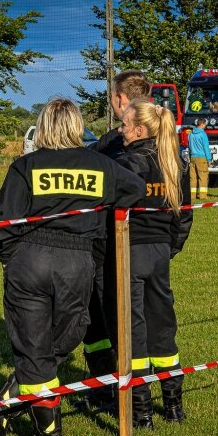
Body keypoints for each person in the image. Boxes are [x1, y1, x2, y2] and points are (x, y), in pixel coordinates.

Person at [0, 98, 145, 436]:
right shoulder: (101, 165)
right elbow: (136, 189)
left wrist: (10, 260)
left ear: (42, 127)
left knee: (36, 349)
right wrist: (101, 218)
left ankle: (3, 414)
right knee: (60, 342)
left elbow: (4, 219)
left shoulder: (25, 166)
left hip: (29, 259)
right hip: (77, 261)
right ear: (76, 126)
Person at [75, 69, 153, 414]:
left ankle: (126, 400)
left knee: (114, 322)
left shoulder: (121, 144)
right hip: (150, 249)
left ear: (120, 100)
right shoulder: (164, 138)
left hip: (111, 246)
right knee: (139, 324)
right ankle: (114, 392)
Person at [116, 99, 192, 428]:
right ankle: (174, 406)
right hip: (161, 253)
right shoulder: (176, 163)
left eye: (124, 125)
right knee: (163, 325)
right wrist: (169, 249)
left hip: (130, 252)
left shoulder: (128, 162)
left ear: (139, 130)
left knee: (133, 331)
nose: (120, 131)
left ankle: (142, 413)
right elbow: (184, 218)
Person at [188, 118, 212, 199]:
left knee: (193, 178)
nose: (205, 126)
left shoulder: (190, 134)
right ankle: (203, 196)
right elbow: (206, 148)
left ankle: (192, 196)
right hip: (201, 158)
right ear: (202, 124)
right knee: (203, 176)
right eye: (205, 125)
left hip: (193, 157)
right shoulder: (203, 134)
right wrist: (209, 159)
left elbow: (189, 147)